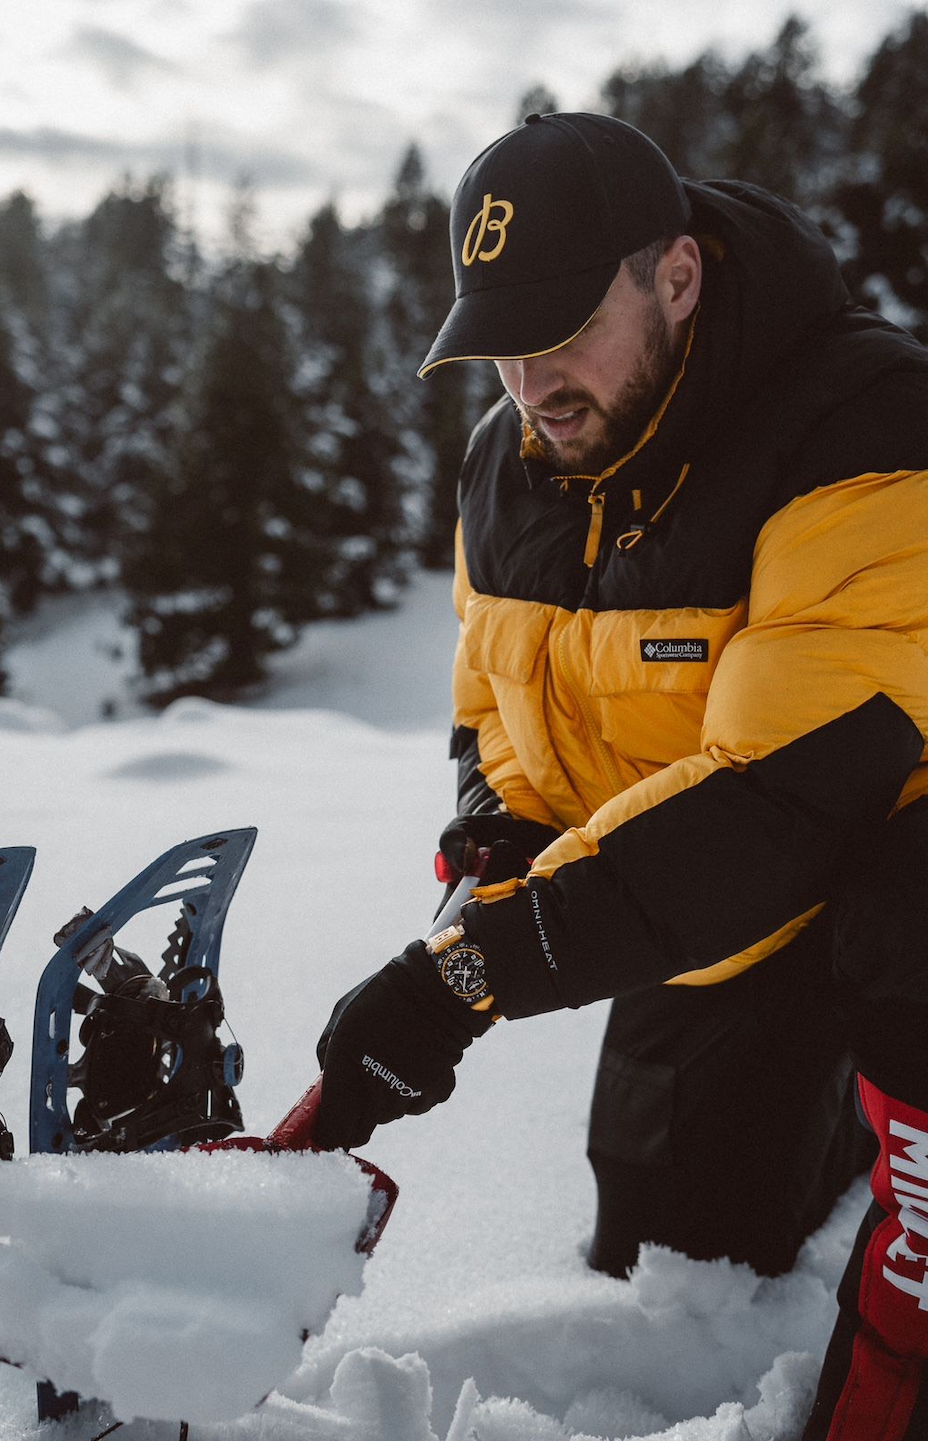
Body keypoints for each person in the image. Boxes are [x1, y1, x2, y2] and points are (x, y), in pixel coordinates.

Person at [314, 112, 928, 1440]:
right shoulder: (509, 461)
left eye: (562, 330)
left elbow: (783, 790)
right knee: (677, 1267)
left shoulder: (862, 420)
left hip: (866, 863)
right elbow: (498, 706)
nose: (531, 386)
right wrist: (498, 843)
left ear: (680, 277)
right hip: (687, 918)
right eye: (500, 349)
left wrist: (478, 970)